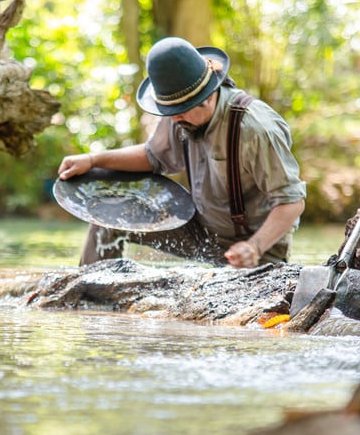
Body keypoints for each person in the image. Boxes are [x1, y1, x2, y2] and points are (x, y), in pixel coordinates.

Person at [57, 37, 306, 268]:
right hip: (201, 230)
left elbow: (291, 202)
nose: (174, 118)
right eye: (168, 110)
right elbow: (153, 158)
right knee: (106, 220)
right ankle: (89, 295)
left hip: (257, 247)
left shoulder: (255, 128)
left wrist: (254, 246)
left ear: (208, 97)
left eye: (182, 110)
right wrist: (93, 159)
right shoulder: (178, 113)